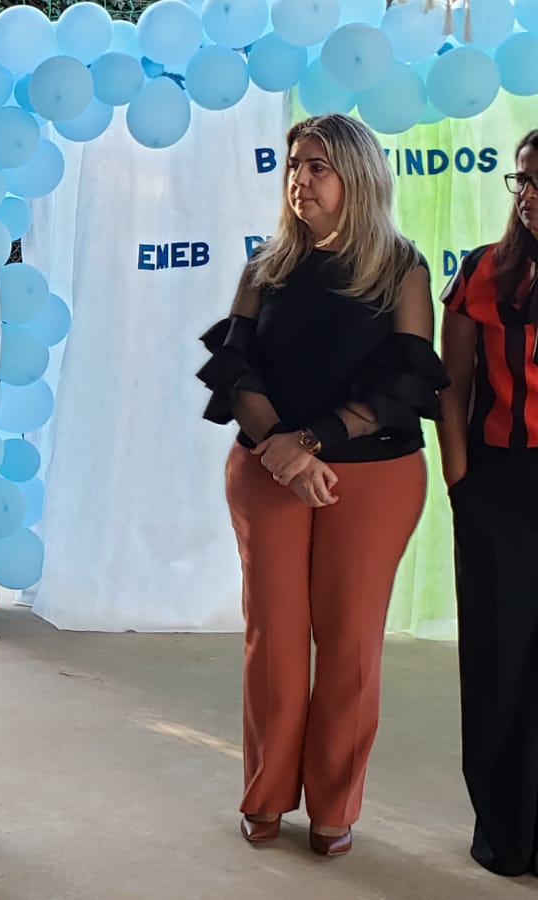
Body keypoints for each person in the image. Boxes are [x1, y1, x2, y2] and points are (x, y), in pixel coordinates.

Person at [196, 113, 447, 857]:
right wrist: (282, 448)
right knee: (273, 638)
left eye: (317, 167)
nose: (299, 180)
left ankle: (336, 804)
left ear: (357, 178)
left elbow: (404, 381)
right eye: (293, 166)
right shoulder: (266, 266)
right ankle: (266, 794)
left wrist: (311, 444)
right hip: (268, 470)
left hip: (372, 478)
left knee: (349, 644)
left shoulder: (401, 268)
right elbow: (235, 369)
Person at [437, 128, 538, 878]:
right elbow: (453, 386)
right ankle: (505, 829)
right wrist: (459, 480)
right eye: (523, 180)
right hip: (498, 485)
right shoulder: (479, 271)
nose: (528, 195)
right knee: (499, 657)